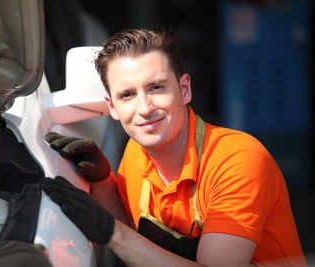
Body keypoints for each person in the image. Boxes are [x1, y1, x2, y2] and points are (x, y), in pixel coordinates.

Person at [42, 28, 306, 266]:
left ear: (184, 89)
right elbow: (141, 252)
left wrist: (111, 232)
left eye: (156, 88)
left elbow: (124, 238)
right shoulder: (135, 153)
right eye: (127, 95)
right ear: (112, 107)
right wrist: (101, 180)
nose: (144, 109)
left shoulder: (238, 160)